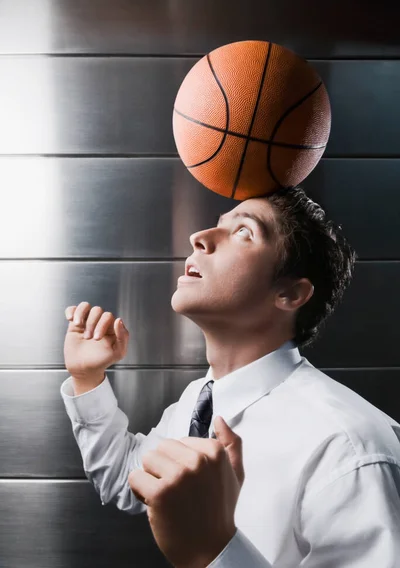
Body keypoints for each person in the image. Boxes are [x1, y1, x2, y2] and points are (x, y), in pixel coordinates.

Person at [61, 186, 400, 567]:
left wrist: (214, 551)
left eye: (244, 232)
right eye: (218, 225)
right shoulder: (199, 400)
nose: (199, 238)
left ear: (290, 293)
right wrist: (88, 378)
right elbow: (127, 480)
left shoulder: (349, 449)